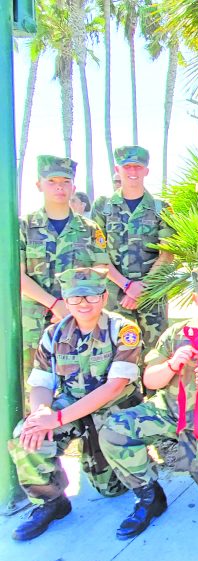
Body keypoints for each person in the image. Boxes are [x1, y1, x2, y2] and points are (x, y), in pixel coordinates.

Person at [99, 265, 198, 539]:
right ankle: (149, 497)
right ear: (196, 298)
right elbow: (150, 380)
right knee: (115, 430)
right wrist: (172, 365)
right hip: (169, 413)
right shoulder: (176, 335)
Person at [8, 267, 143, 541]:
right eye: (76, 298)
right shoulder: (54, 334)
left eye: (91, 296)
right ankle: (50, 502)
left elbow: (115, 386)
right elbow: (41, 383)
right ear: (66, 300)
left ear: (104, 297)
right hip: (72, 406)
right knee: (27, 434)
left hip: (113, 409)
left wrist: (57, 419)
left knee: (111, 489)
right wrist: (42, 412)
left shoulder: (123, 330)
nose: (83, 303)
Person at [20, 156, 110, 402]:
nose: (59, 187)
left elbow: (101, 270)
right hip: (35, 321)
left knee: (82, 382)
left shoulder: (90, 229)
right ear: (39, 185)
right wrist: (54, 304)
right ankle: (37, 433)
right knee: (34, 383)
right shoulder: (24, 226)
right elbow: (16, 277)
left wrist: (72, 305)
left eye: (65, 181)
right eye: (52, 181)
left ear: (73, 186)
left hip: (80, 319)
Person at [92, 146, 174, 354]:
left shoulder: (161, 208)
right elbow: (97, 254)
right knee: (116, 354)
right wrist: (127, 285)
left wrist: (142, 287)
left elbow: (167, 255)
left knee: (155, 354)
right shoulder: (103, 207)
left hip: (152, 295)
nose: (133, 172)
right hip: (114, 295)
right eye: (127, 166)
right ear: (117, 169)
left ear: (146, 171)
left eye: (138, 167)